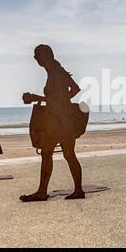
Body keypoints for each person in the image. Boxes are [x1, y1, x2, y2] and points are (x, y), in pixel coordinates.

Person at [20, 44, 85, 202]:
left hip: (57, 121)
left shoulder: (55, 72)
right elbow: (75, 89)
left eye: (37, 56)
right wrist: (63, 103)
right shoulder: (57, 70)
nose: (36, 59)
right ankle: (77, 190)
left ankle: (43, 192)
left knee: (48, 154)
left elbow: (61, 96)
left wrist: (37, 97)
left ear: (43, 57)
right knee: (67, 154)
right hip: (63, 119)